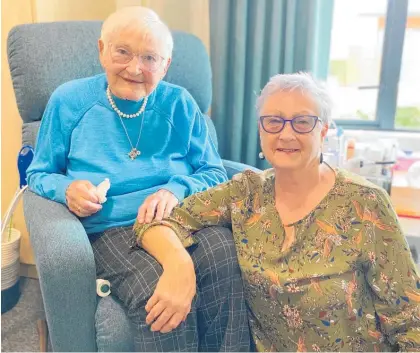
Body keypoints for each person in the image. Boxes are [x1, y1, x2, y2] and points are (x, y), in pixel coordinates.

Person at [134, 72, 420, 352]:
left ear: (323, 130)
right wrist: (179, 266)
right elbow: (157, 223)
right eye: (273, 121)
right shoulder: (245, 193)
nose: (286, 133)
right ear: (260, 130)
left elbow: (410, 320)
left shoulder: (366, 203)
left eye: (302, 122)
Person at [26, 6, 250, 352]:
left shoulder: (180, 104)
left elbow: (214, 172)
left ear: (166, 65)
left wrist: (176, 189)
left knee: (226, 258)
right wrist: (67, 188)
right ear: (102, 50)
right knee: (155, 292)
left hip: (182, 218)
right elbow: (39, 173)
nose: (135, 68)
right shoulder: (69, 101)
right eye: (123, 52)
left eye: (150, 58)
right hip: (112, 226)